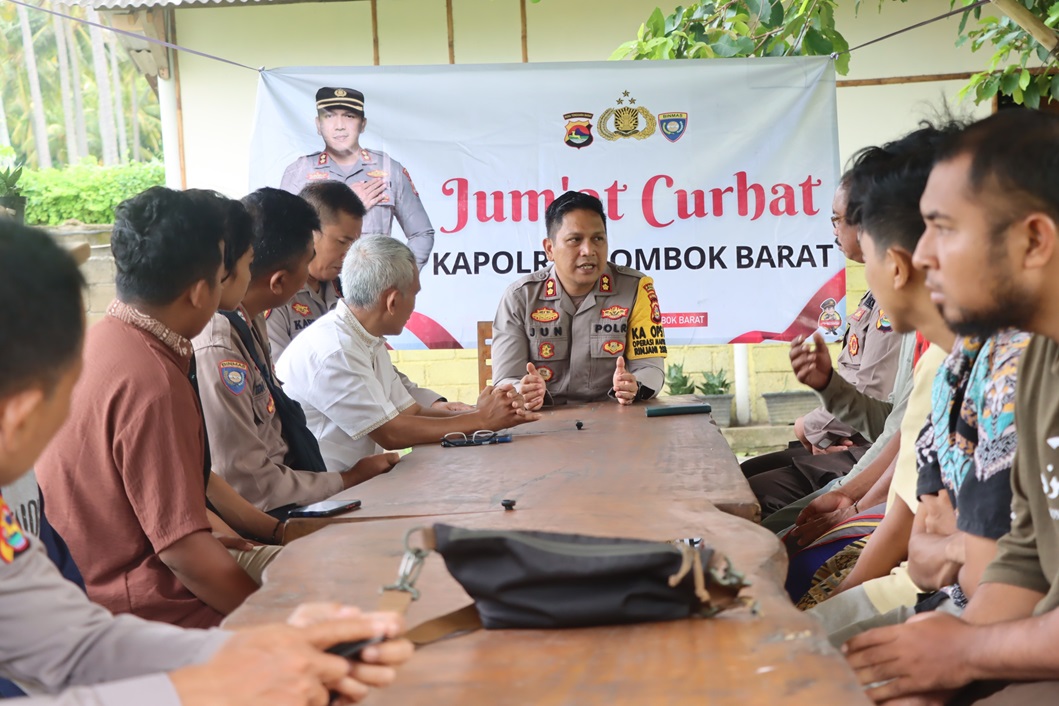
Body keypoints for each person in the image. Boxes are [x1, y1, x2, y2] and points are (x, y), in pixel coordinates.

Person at [0, 217, 413, 705]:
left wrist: (253, 649)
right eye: (68, 395)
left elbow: (72, 643)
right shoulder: (147, 374)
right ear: (22, 417)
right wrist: (202, 684)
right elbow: (179, 552)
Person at [844, 109, 1059, 704]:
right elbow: (1021, 561)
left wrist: (963, 651)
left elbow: (989, 559)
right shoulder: (1037, 352)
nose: (923, 254)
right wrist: (947, 659)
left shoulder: (1016, 357)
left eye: (943, 228)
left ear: (1034, 240)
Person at [36, 187, 263, 628]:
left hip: (88, 591)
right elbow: (183, 556)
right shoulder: (154, 380)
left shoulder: (99, 340)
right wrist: (276, 620)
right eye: (221, 278)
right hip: (147, 613)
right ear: (200, 292)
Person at [195, 187, 401, 513]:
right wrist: (347, 479)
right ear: (278, 281)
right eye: (308, 262)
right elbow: (251, 486)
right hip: (272, 511)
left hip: (299, 488)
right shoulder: (220, 345)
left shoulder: (250, 321)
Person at [278, 235, 539, 471]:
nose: (414, 306)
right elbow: (391, 433)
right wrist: (482, 420)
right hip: (325, 495)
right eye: (414, 294)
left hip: (354, 484)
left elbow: (409, 412)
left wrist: (478, 412)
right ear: (392, 301)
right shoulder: (335, 349)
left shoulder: (365, 337)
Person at [742, 175, 904, 515]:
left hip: (861, 449)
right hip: (859, 444)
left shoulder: (905, 301)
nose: (833, 230)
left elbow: (892, 431)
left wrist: (815, 428)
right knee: (742, 476)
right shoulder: (880, 289)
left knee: (755, 499)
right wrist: (828, 386)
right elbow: (892, 424)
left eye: (837, 219)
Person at [268, 181, 468, 412]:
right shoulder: (278, 295)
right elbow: (281, 384)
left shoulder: (343, 288)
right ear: (309, 232)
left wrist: (433, 405)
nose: (349, 253)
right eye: (342, 242)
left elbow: (375, 365)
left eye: (355, 243)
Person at [491, 191, 668, 408]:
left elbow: (652, 369)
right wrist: (523, 390)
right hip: (542, 421)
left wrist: (635, 385)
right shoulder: (520, 297)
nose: (589, 250)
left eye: (598, 239)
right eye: (575, 240)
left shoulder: (634, 289)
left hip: (614, 420)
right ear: (549, 249)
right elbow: (505, 379)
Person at [279, 87, 434, 269]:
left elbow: (422, 233)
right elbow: (283, 236)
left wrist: (398, 276)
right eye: (329, 116)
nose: (339, 125)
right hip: (316, 291)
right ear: (318, 124)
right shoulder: (299, 171)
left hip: (373, 288)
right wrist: (347, 205)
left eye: (349, 116)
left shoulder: (389, 169)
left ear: (363, 124)